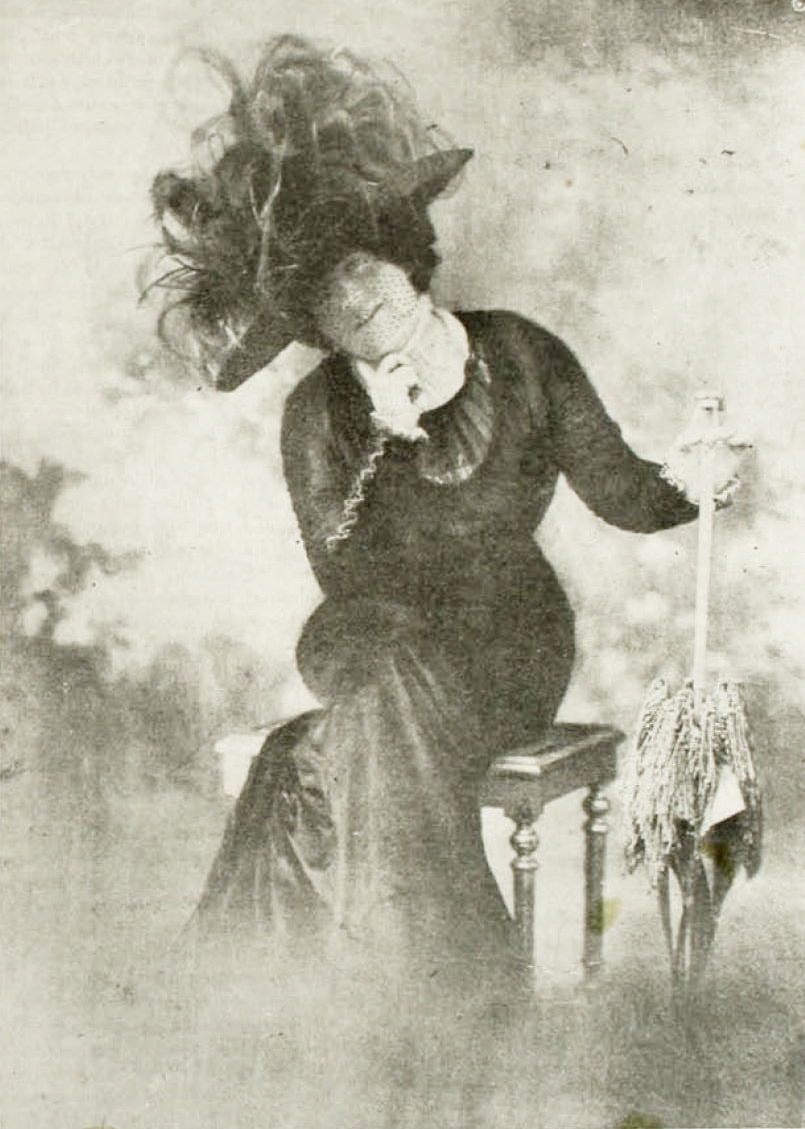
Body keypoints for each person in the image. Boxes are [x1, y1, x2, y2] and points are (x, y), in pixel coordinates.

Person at [148, 35, 701, 994]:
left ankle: (395, 989)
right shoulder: (317, 412)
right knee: (366, 702)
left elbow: (620, 489)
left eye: (363, 267)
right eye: (324, 293)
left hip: (508, 640)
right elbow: (344, 576)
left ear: (407, 256)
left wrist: (698, 484)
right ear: (309, 322)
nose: (354, 299)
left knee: (321, 749)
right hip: (375, 636)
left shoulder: (519, 352)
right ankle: (417, 988)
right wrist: (385, 438)